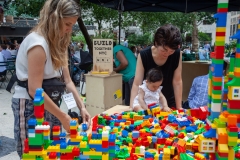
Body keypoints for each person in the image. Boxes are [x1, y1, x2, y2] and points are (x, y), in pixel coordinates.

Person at [11, 0, 91, 158]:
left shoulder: (59, 43)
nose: (69, 30)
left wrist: (81, 106)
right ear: (54, 19)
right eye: (67, 24)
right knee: (34, 153)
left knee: (54, 150)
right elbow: (34, 90)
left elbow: (67, 80)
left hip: (52, 102)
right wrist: (64, 117)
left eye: (72, 25)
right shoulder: (38, 44)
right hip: (30, 105)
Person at [130, 24, 183, 111]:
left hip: (167, 102)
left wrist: (179, 107)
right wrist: (132, 107)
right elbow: (137, 83)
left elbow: (177, 81)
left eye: (171, 51)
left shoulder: (177, 54)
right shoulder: (144, 55)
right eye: (164, 50)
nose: (167, 54)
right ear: (156, 43)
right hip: (146, 104)